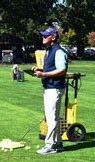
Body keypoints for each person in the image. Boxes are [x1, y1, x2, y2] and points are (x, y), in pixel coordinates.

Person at [32, 26, 68, 155]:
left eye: (45, 36)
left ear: (53, 37)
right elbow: (53, 69)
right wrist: (41, 70)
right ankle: (58, 143)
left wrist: (44, 75)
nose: (43, 37)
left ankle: (50, 145)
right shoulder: (49, 50)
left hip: (55, 88)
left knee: (51, 117)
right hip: (50, 87)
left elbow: (62, 70)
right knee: (52, 117)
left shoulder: (58, 51)